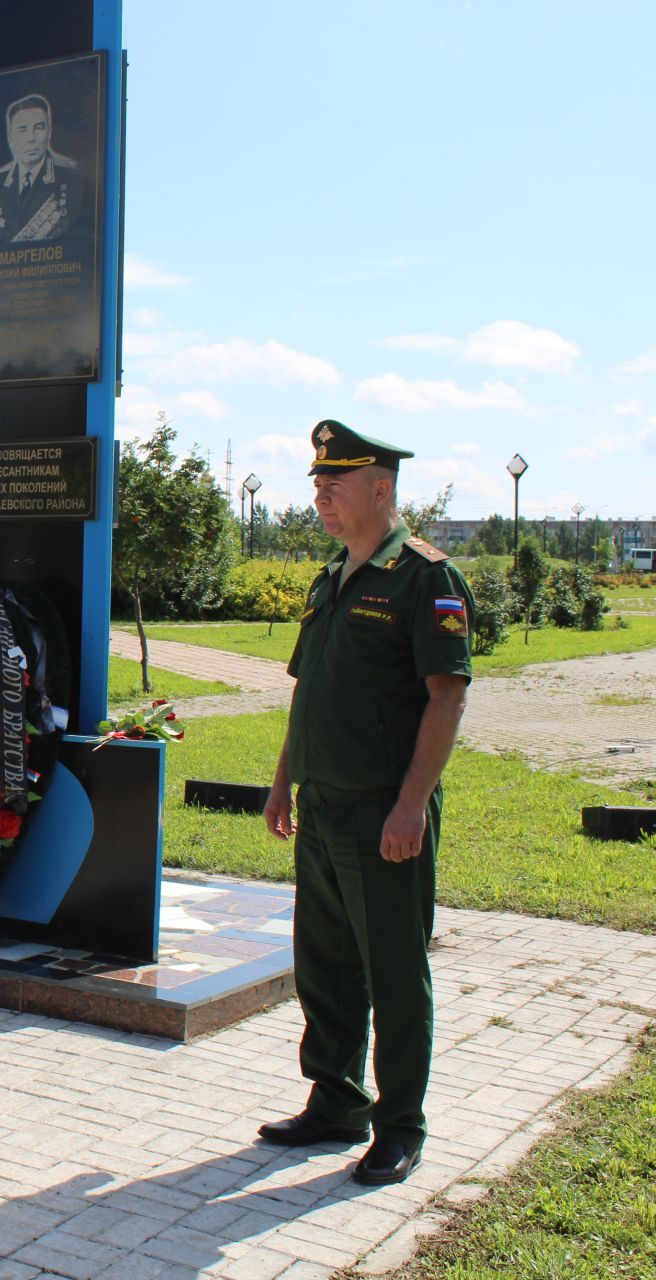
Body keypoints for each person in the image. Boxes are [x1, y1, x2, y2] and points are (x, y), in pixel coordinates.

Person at [257, 419, 473, 1187]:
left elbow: (445, 698)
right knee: (327, 966)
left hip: (384, 811)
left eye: (334, 482)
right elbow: (307, 692)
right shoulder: (330, 578)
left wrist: (412, 806)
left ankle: (400, 1125)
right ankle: (336, 1100)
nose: (320, 494)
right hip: (322, 807)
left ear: (381, 489)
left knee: (392, 972)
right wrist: (285, 782)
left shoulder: (425, 579)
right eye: (317, 483)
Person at [0, 93, 87, 243]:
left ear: (49, 131)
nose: (31, 138)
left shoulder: (72, 176)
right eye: (22, 130)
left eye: (38, 128)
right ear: (10, 137)